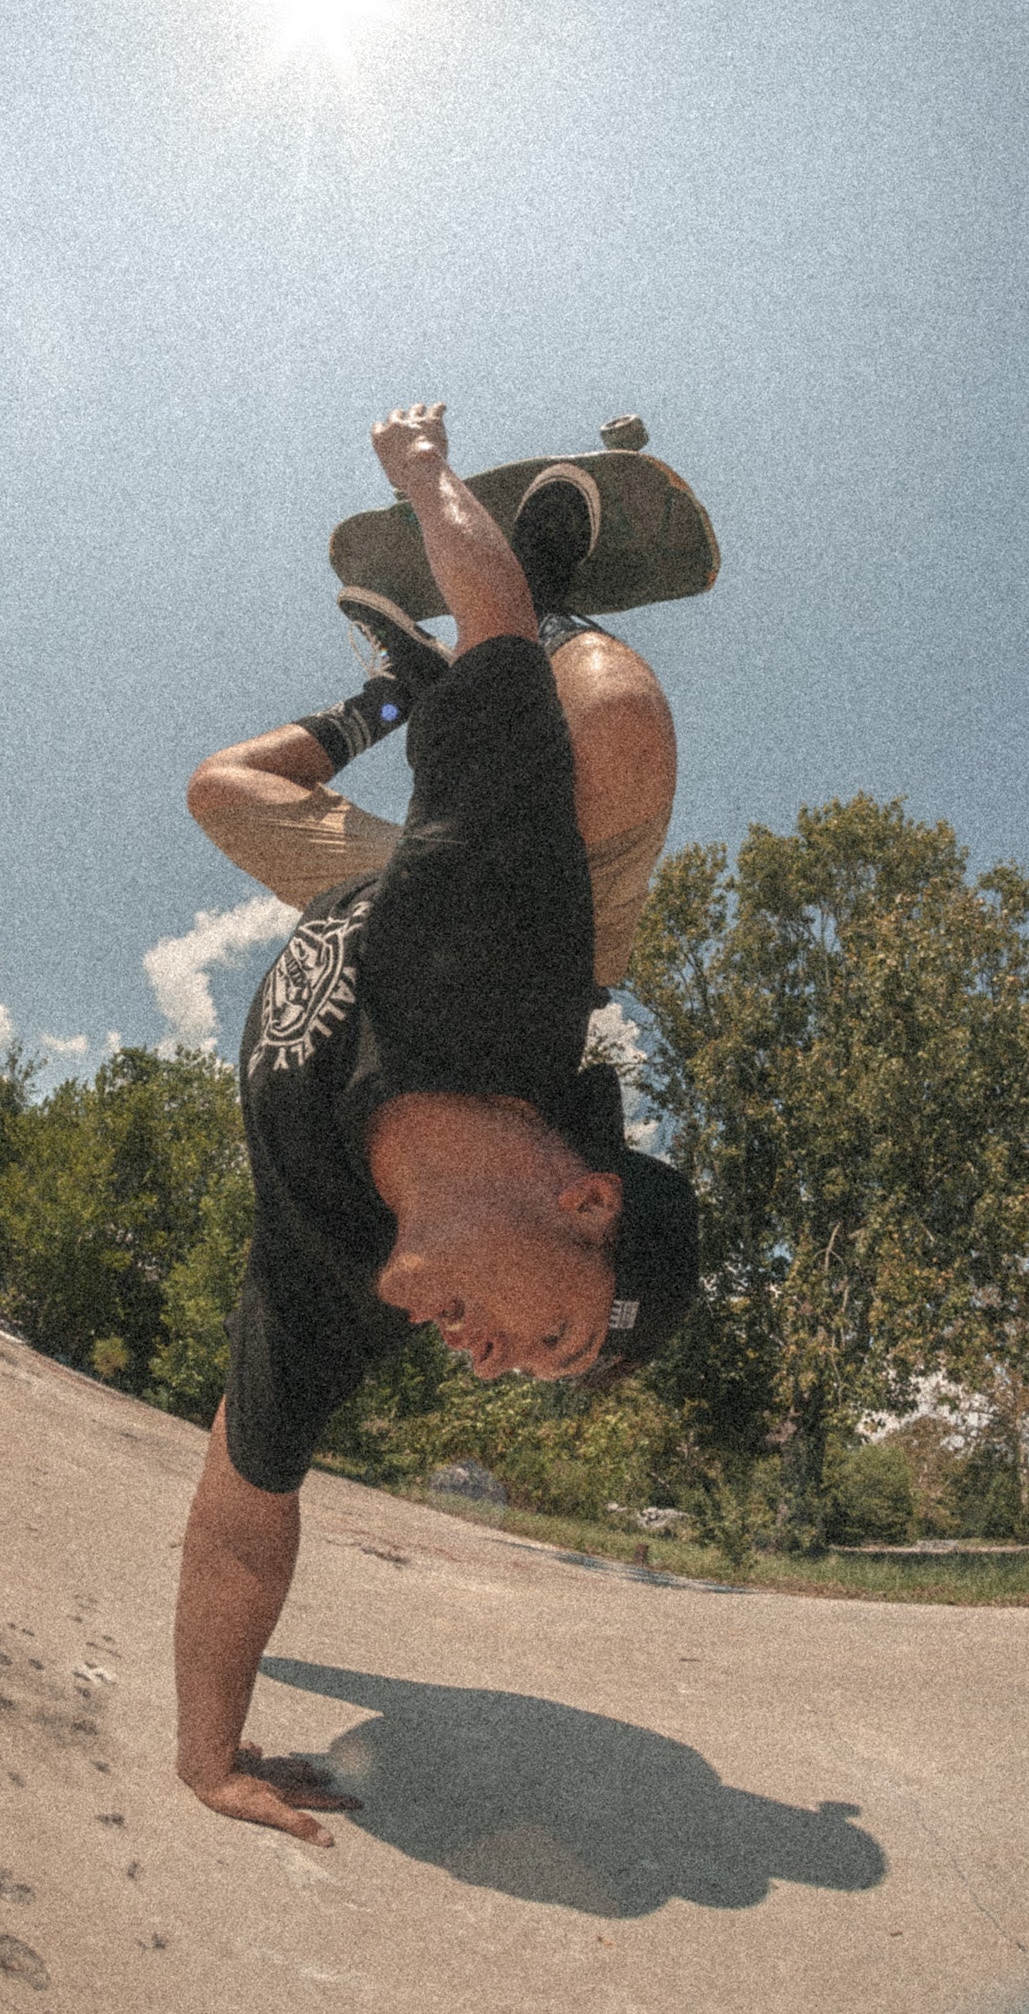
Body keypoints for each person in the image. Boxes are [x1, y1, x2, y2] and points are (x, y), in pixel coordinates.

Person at [175, 402, 698, 1846]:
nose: (494, 1365)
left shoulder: (335, 1284)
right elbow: (515, 667)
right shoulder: (512, 958)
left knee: (228, 789)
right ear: (586, 1204)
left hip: (389, 898)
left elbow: (240, 1517)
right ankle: (525, 583)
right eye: (554, 1338)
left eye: (525, 1370)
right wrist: (421, 474)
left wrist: (208, 1755)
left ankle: (393, 695)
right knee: (602, 705)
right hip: (493, 920)